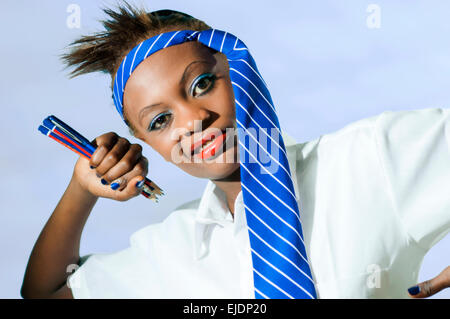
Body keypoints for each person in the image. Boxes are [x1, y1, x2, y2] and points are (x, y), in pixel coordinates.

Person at [21, 2, 450, 299]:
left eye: (202, 84)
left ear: (239, 70)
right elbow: (47, 290)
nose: (192, 121)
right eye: (159, 121)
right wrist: (82, 189)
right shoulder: (173, 249)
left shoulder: (368, 161)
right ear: (149, 144)